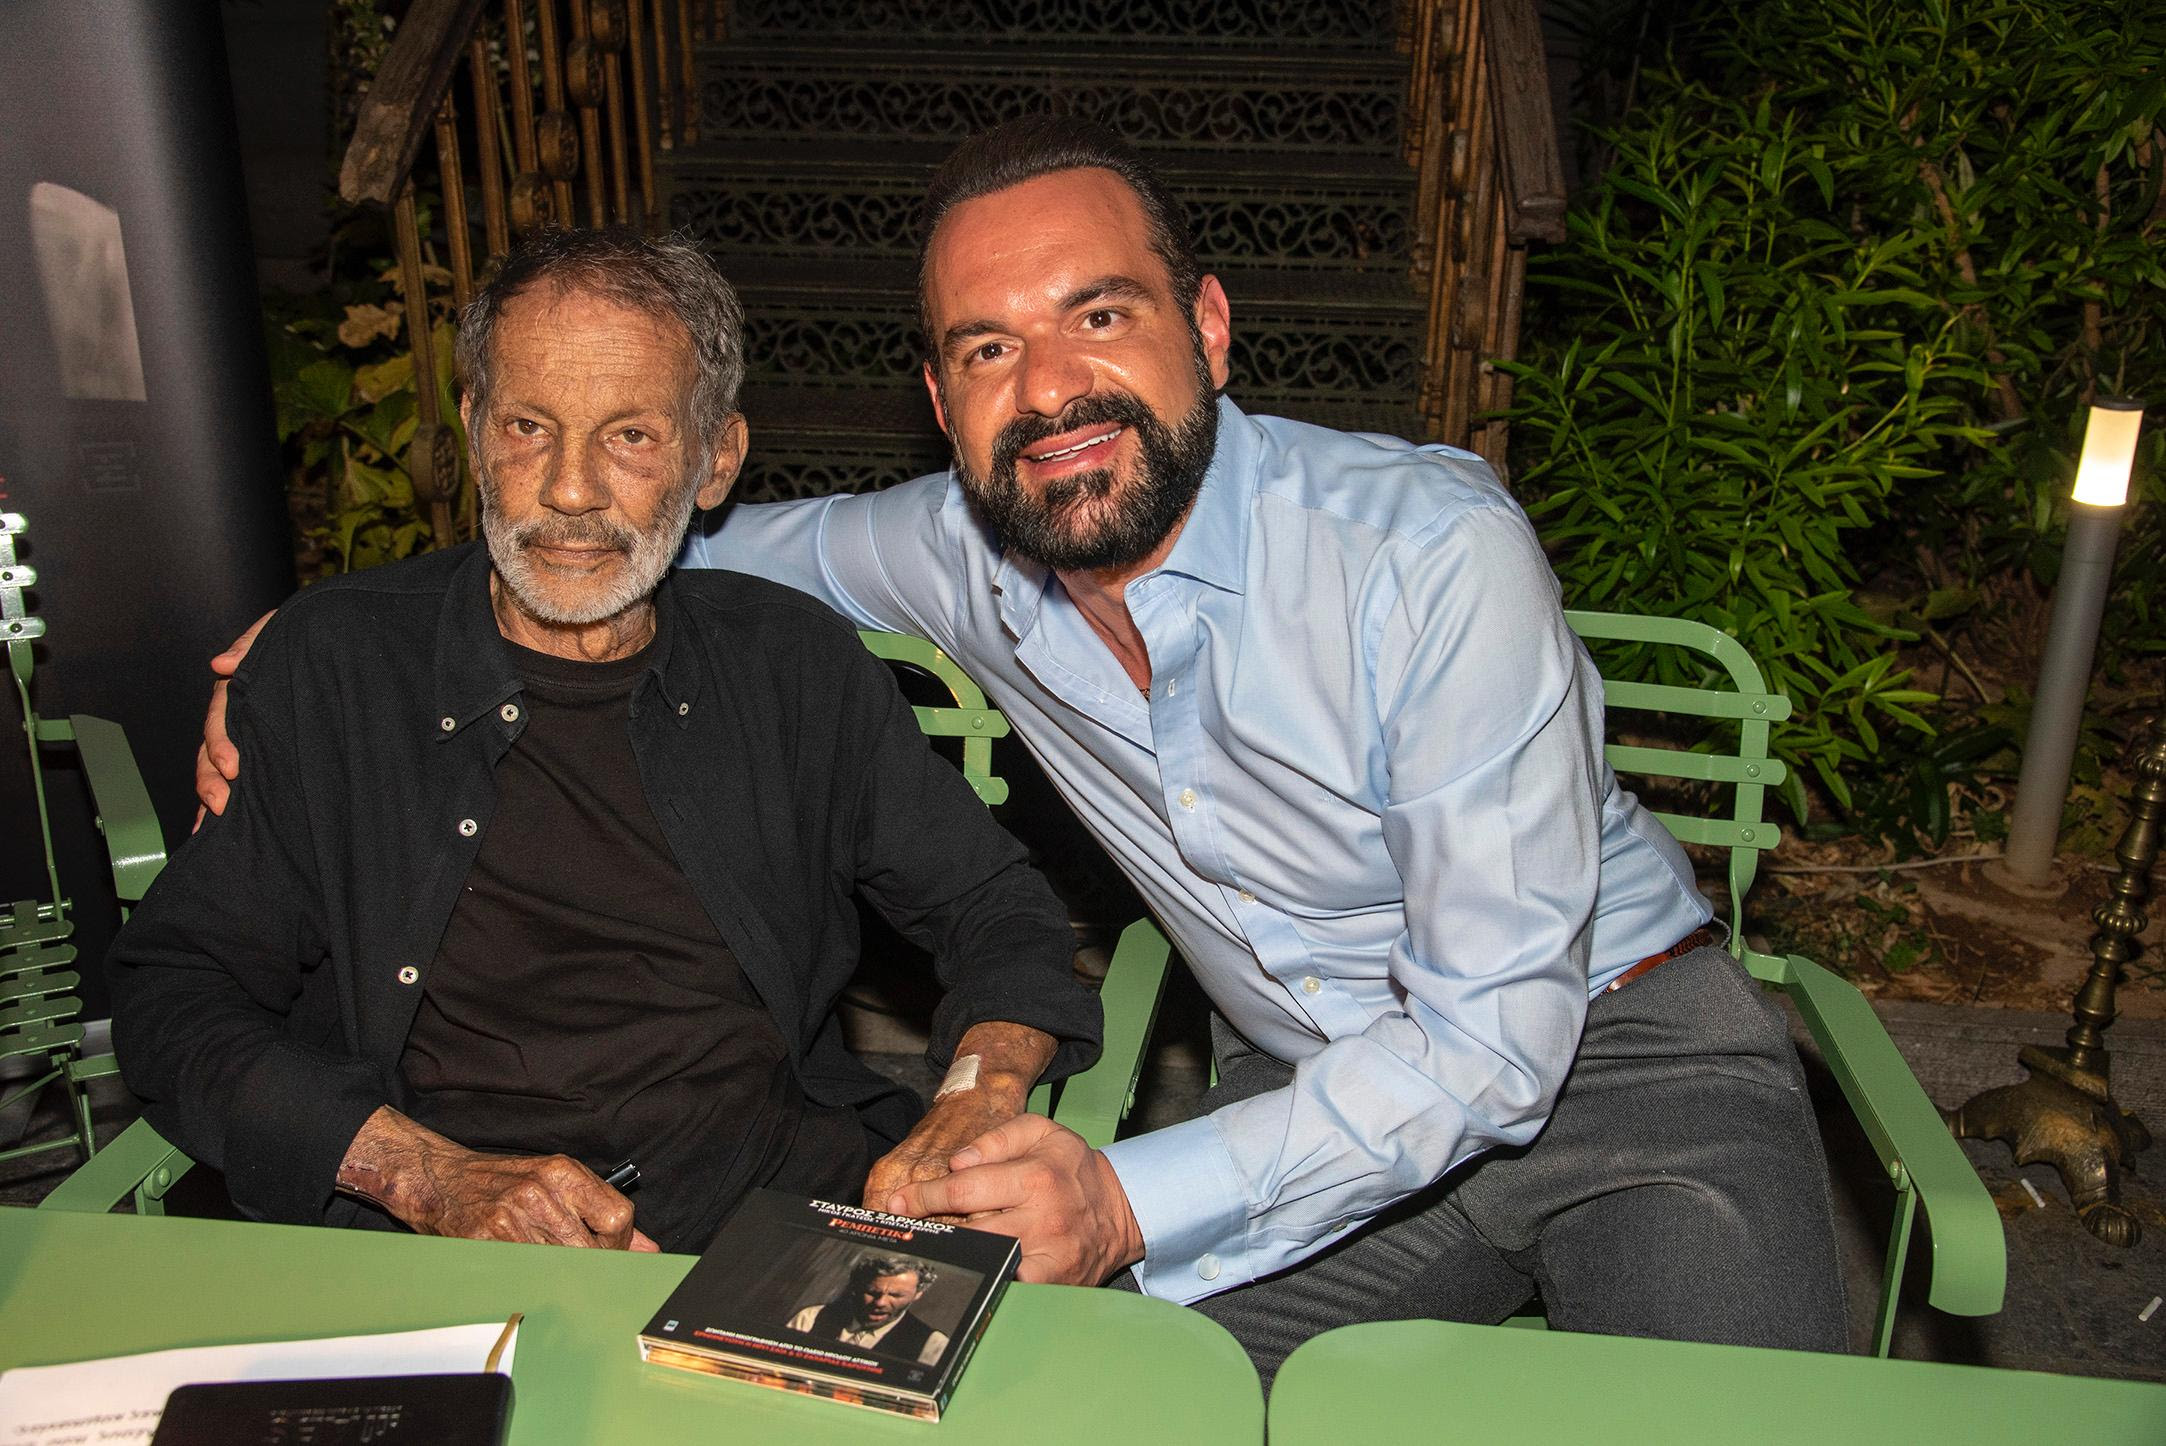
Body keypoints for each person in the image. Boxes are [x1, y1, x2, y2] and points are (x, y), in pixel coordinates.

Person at [198, 122, 1846, 1375]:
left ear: (1209, 326)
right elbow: (634, 528)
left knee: (1726, 1424)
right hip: (1298, 1086)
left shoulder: (1425, 553)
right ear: (941, 399)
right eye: (987, 347)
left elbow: (1491, 1043)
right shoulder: (959, 547)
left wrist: (1119, 1196)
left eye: (1098, 315)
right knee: (1073, 1401)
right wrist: (337, 637)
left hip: (1617, 1060)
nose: (1049, 389)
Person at [121, 227, 1099, 1256]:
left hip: (768, 1221)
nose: (571, 490)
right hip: (431, 1247)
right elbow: (174, 994)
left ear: (715, 460)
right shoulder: (340, 667)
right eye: (528, 427)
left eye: (630, 435)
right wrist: (425, 1175)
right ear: (473, 429)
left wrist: (974, 1096)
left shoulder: (794, 669)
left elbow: (998, 912)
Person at [786, 1254, 950, 1364]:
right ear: (856, 1287)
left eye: (896, 1295)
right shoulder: (811, 1317)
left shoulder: (933, 1344)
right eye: (872, 1292)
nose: (880, 1303)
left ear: (918, 1294)